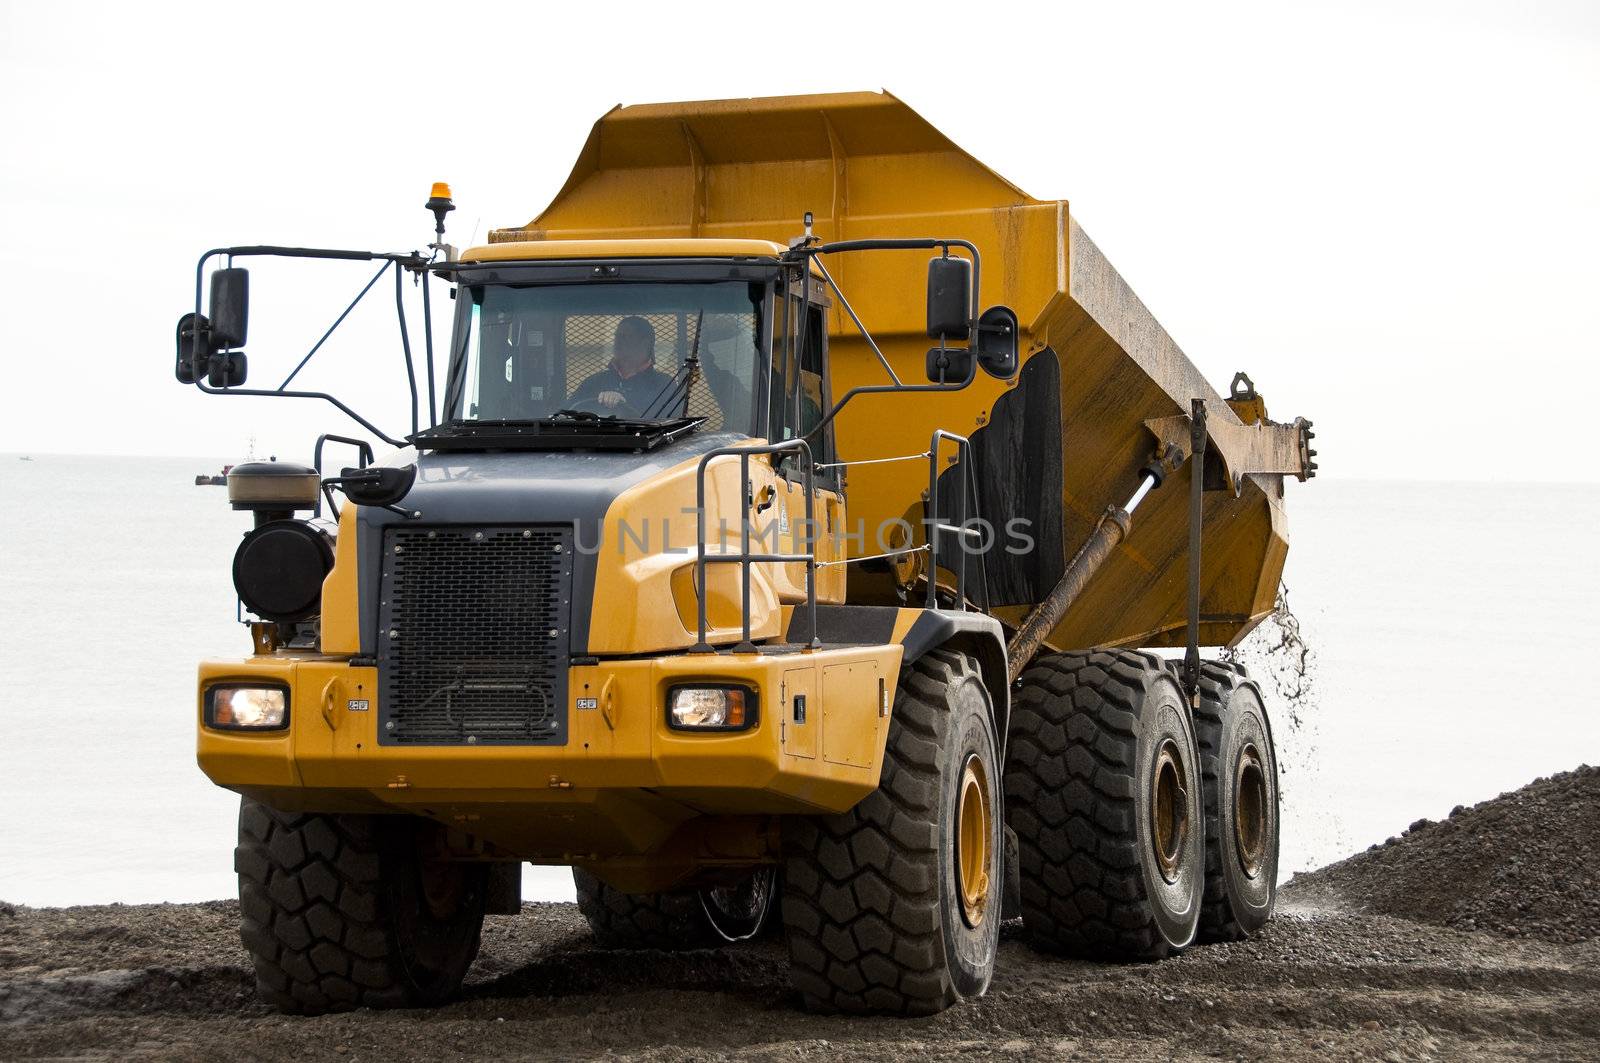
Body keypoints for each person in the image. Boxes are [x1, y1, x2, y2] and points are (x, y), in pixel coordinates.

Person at [569, 316, 674, 415]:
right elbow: (565, 413)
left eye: (625, 337)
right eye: (617, 336)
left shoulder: (664, 385)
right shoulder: (594, 382)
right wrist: (598, 401)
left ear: (645, 343)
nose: (618, 341)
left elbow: (669, 422)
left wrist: (623, 403)